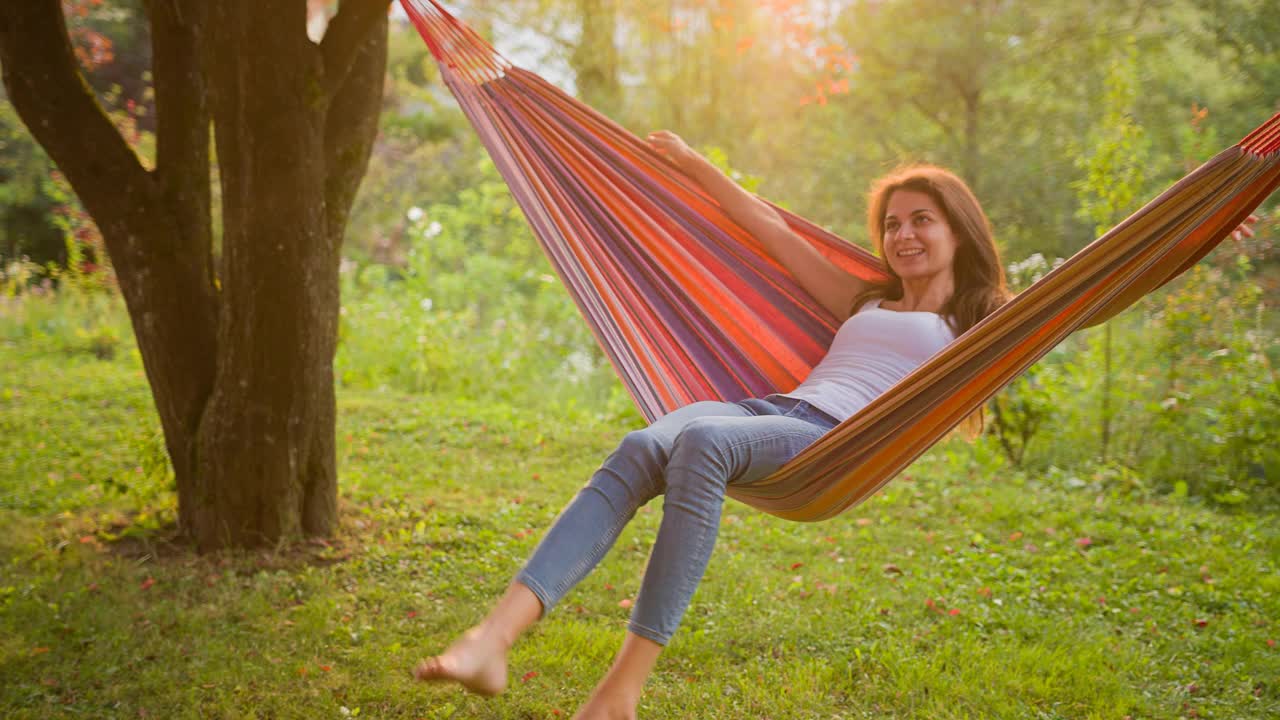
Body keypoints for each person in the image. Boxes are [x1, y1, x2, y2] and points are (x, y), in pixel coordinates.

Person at [411, 131, 1046, 719]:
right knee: (640, 446)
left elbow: (1071, 305)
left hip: (833, 443)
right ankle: (491, 640)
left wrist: (1140, 258)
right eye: (892, 224)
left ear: (959, 231)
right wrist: (692, 163)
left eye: (921, 221)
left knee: (704, 441)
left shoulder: (982, 325)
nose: (902, 235)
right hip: (772, 411)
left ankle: (619, 693)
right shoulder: (865, 300)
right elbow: (771, 228)